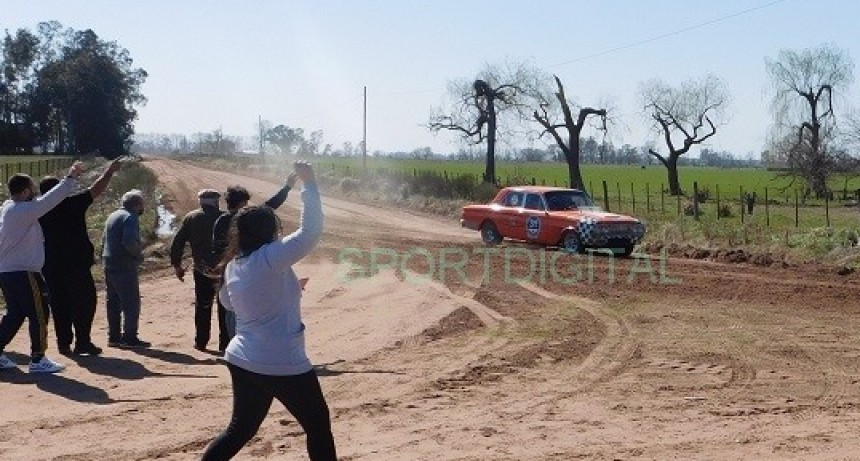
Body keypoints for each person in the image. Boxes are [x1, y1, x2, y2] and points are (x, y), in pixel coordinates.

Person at [201, 162, 335, 460]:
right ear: (268, 232)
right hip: (279, 361)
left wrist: (285, 287)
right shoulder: (269, 258)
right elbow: (310, 232)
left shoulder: (236, 263)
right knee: (318, 425)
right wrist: (309, 184)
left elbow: (228, 302)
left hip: (241, 358)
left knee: (239, 430)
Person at [0, 161, 84, 373]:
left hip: (9, 272)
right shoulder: (23, 211)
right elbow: (49, 201)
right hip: (25, 272)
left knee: (15, 314)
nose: (36, 192)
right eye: (33, 188)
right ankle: (38, 358)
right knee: (39, 314)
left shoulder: (8, 208)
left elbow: (41, 202)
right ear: (27, 190)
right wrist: (70, 178)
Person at [39, 158, 123, 356]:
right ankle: (83, 342)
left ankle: (63, 343)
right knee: (84, 302)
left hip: (50, 264)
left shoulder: (37, 210)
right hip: (76, 264)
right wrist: (109, 171)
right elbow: (96, 188)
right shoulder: (72, 204)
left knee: (59, 303)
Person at [211, 173, 296, 350]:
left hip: (227, 270)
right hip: (246, 267)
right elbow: (272, 204)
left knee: (224, 306)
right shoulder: (248, 218)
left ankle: (225, 344)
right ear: (242, 202)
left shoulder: (220, 221)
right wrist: (287, 187)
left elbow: (215, 247)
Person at [169, 189, 224, 351]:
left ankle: (201, 342)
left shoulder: (191, 218)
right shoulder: (224, 217)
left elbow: (177, 243)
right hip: (223, 269)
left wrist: (177, 265)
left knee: (202, 305)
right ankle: (225, 343)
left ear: (200, 201)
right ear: (215, 200)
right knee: (225, 306)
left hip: (201, 268)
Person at [102, 189, 149, 348]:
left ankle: (114, 337)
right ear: (136, 204)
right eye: (142, 204)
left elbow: (104, 240)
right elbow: (129, 241)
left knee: (113, 302)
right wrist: (138, 255)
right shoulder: (130, 217)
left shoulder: (112, 215)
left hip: (109, 262)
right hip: (124, 263)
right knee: (131, 302)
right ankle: (130, 337)